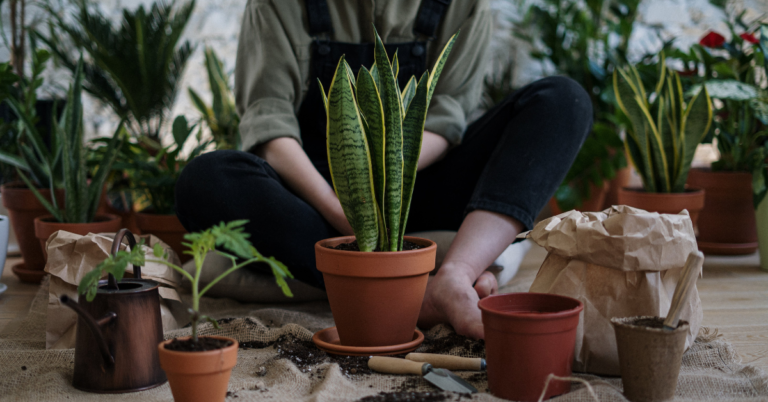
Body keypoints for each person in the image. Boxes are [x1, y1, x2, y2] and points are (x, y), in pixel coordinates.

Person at [175, 0, 592, 339]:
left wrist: (389, 184)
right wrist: (345, 209)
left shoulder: (463, 5)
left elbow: (446, 121)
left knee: (563, 101)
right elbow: (270, 126)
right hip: (320, 200)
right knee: (206, 179)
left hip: (421, 182)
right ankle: (408, 288)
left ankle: (454, 276)